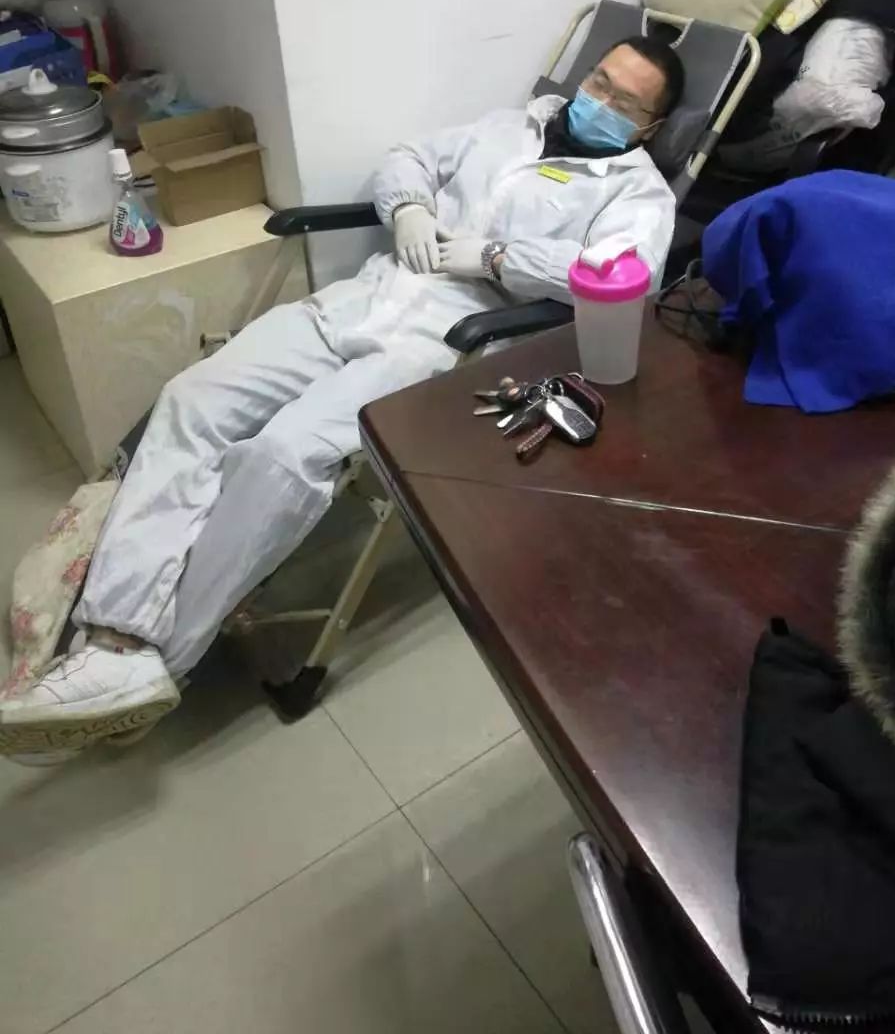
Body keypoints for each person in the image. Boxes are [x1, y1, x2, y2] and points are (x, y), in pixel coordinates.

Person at [0, 37, 684, 756]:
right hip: (366, 297)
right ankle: (114, 636)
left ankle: (160, 658)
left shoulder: (636, 193)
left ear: (651, 127)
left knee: (285, 453)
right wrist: (409, 208)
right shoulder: (510, 126)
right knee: (193, 398)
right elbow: (409, 158)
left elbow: (624, 275)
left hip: (453, 339)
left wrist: (498, 258)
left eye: (623, 101)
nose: (599, 101)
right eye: (599, 81)